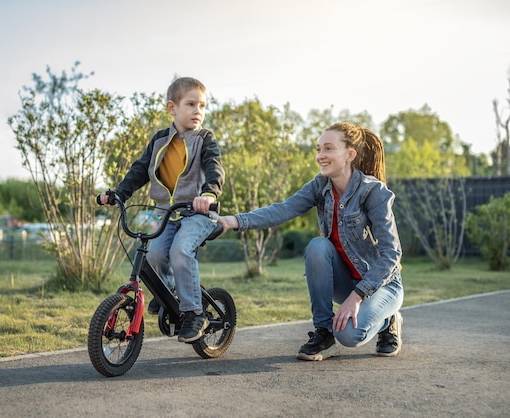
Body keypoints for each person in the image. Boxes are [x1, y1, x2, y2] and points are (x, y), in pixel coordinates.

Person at [218, 122, 404, 360]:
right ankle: (324, 334)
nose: (320, 156)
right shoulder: (320, 185)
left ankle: (388, 320)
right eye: (318, 149)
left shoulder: (373, 191)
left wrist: (356, 297)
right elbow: (282, 210)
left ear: (350, 155)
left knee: (350, 336)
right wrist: (234, 220)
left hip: (382, 285)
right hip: (346, 280)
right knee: (317, 246)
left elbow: (392, 256)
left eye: (328, 149)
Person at [98, 77, 225, 343]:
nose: (198, 111)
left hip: (197, 214)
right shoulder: (159, 141)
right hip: (165, 213)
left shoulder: (205, 139)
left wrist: (209, 193)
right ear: (172, 108)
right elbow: (139, 170)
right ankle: (167, 294)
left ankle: (194, 313)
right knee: (152, 254)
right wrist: (118, 193)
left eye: (202, 105)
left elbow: (214, 166)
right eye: (191, 104)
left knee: (180, 251)